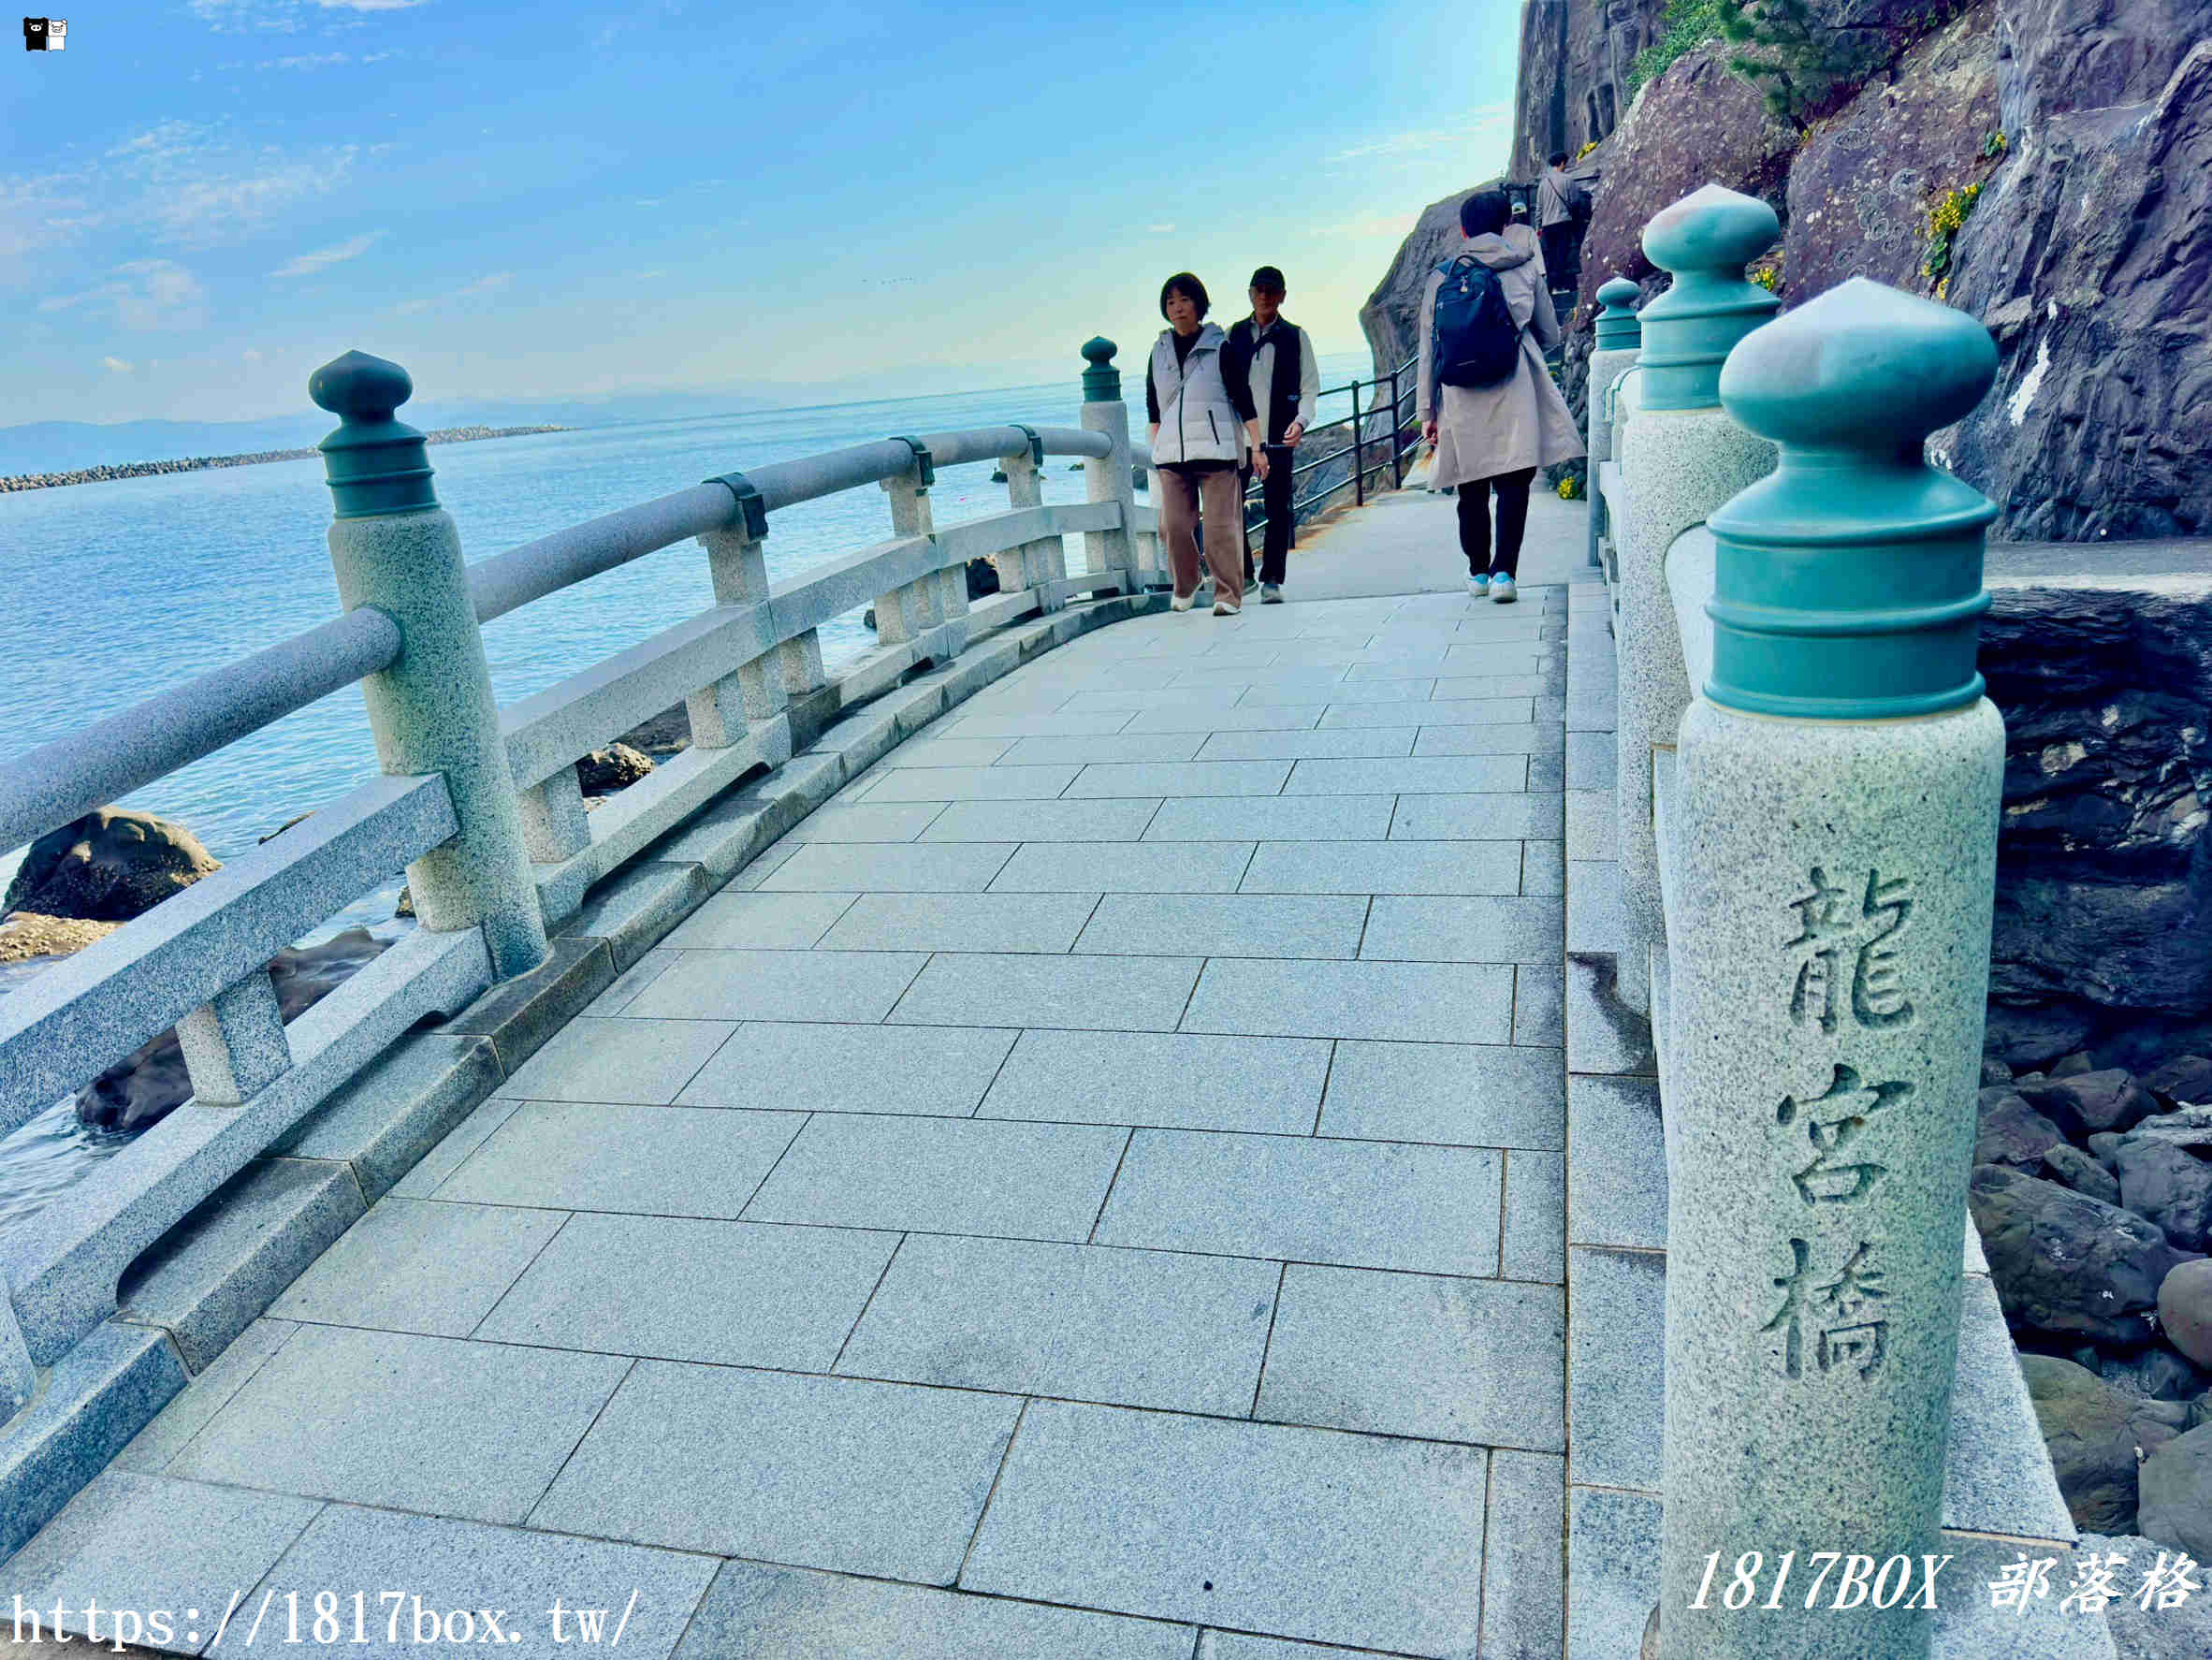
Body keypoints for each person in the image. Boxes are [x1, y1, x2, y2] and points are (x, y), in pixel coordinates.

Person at [1419, 187, 1585, 603]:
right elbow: (1549, 332)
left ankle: (1477, 572)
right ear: (1504, 226)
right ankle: (1504, 574)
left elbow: (1429, 349)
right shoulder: (1524, 266)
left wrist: (1428, 411)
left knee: (1469, 484)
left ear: (1463, 229)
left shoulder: (1441, 277)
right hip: (1515, 384)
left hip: (1459, 393)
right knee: (1515, 482)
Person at [1146, 272, 1265, 617]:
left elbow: (1244, 399)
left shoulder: (1221, 348)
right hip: (1173, 455)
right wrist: (1158, 445)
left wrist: (1256, 446)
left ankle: (1228, 594)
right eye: (1170, 302)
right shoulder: (1158, 351)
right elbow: (1154, 405)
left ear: (1199, 305)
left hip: (1216, 453)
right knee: (1173, 527)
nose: (1177, 308)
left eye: (1184, 300)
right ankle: (1187, 581)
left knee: (1219, 530)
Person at [1225, 267, 1319, 604]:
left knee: (1279, 510)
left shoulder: (1295, 336)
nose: (1264, 296)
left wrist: (1301, 421)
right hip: (1238, 439)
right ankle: (1246, 573)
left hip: (1278, 438)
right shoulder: (1232, 334)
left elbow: (1310, 386)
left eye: (1271, 290)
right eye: (1258, 290)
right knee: (1230, 510)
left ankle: (1272, 580)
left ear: (1282, 295)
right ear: (1250, 294)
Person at [1538, 151, 1583, 296]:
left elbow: (1539, 207)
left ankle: (1551, 287)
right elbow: (1575, 201)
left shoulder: (1543, 183)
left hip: (1546, 225)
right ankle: (1559, 285)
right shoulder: (1567, 179)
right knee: (1562, 255)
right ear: (1562, 163)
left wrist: (1538, 226)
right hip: (1563, 222)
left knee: (1551, 256)